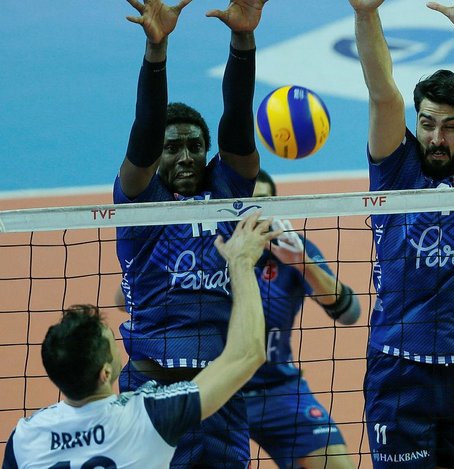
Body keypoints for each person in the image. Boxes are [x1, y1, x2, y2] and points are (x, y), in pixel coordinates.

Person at [349, 0, 454, 467]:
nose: (437, 138)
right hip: (400, 367)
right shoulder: (395, 169)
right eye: (427, 124)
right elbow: (383, 95)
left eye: (450, 127)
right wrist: (364, 14)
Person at [115, 0, 266, 466]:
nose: (185, 156)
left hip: (218, 393)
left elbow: (237, 120)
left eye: (195, 146)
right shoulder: (142, 202)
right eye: (173, 147)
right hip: (152, 392)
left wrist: (242, 39)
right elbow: (144, 132)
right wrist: (155, 51)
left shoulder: (227, 189)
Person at [3, 214, 278, 468]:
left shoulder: (26, 437)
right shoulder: (149, 416)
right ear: (105, 372)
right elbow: (246, 354)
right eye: (110, 342)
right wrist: (241, 261)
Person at [243, 171, 359, 469]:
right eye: (247, 203)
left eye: (264, 202)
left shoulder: (292, 248)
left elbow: (350, 313)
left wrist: (301, 263)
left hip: (277, 389)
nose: (256, 213)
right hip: (217, 390)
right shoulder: (211, 250)